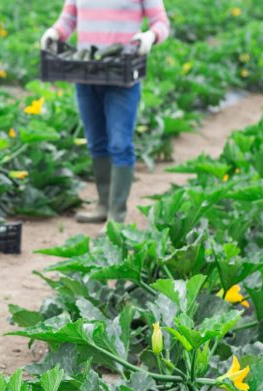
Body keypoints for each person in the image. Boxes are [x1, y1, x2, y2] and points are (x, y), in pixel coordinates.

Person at [40, 0, 171, 224]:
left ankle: (116, 216)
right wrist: (55, 32)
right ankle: (103, 205)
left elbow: (161, 23)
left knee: (120, 144)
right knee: (96, 142)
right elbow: (69, 18)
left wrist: (149, 36)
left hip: (123, 74)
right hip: (86, 74)